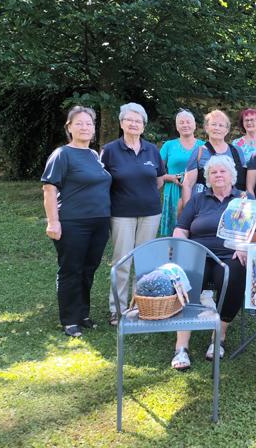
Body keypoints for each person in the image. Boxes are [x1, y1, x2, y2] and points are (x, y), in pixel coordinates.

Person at [171, 155, 251, 370]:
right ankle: (181, 346)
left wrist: (244, 246)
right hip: (199, 255)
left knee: (232, 275)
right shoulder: (198, 199)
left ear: (232, 175)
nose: (218, 175)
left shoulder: (244, 199)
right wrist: (182, 249)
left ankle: (219, 337)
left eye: (222, 171)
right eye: (213, 172)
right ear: (208, 177)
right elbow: (181, 229)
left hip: (230, 256)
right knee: (187, 277)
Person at [41, 106, 111, 337]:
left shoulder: (94, 155)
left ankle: (82, 313)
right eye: (79, 123)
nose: (85, 127)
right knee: (71, 269)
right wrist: (53, 222)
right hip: (73, 222)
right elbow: (49, 189)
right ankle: (70, 319)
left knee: (89, 269)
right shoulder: (62, 154)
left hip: (99, 222)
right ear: (69, 127)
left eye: (89, 123)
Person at [101, 102, 165, 326]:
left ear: (143, 126)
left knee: (145, 261)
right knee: (122, 261)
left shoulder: (152, 150)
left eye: (138, 121)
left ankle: (140, 305)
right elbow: (102, 181)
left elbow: (159, 180)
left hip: (150, 213)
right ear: (121, 123)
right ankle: (117, 309)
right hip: (121, 214)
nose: (134, 124)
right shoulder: (110, 150)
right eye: (129, 120)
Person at [181, 110, 246, 206]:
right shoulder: (199, 152)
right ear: (207, 128)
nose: (217, 128)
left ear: (226, 130)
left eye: (221, 125)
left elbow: (242, 182)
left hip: (232, 206)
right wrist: (187, 209)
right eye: (213, 124)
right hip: (205, 206)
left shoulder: (237, 151)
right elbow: (187, 184)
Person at [158, 110, 204, 236]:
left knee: (195, 228)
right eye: (181, 122)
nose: (185, 125)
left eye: (188, 122)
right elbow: (156, 171)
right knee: (174, 230)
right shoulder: (169, 145)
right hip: (173, 190)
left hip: (196, 191)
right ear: (177, 127)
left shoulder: (203, 146)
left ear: (194, 125)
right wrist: (171, 177)